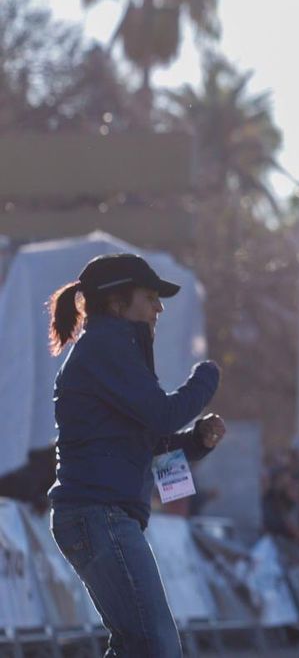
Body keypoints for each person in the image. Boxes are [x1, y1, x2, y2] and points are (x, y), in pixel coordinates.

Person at [46, 253, 227, 658]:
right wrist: (206, 377)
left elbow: (148, 441)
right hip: (99, 514)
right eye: (150, 297)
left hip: (97, 514)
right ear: (116, 302)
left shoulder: (116, 350)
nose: (159, 307)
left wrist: (197, 441)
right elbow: (163, 416)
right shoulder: (106, 347)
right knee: (155, 645)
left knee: (136, 645)